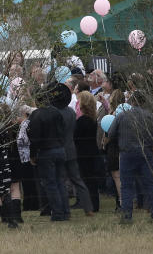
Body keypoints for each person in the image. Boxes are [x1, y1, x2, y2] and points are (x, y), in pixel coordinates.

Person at [108, 91, 153, 222]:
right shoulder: (149, 116)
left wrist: (119, 142)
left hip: (126, 153)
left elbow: (111, 133)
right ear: (144, 103)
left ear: (131, 102)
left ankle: (127, 216)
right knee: (150, 183)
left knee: (126, 185)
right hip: (146, 152)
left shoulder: (122, 116)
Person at [26, 84, 68, 221]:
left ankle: (57, 213)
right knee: (60, 182)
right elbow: (63, 131)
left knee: (50, 184)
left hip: (46, 151)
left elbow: (34, 138)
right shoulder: (57, 112)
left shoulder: (36, 115)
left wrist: (32, 155)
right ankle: (65, 211)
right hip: (60, 149)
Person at [55, 84, 93, 216]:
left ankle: (65, 209)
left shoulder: (56, 113)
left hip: (59, 148)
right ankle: (88, 208)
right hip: (71, 148)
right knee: (77, 180)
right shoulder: (71, 112)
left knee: (61, 180)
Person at [74, 91, 103, 212]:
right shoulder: (93, 119)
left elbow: (75, 137)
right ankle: (94, 204)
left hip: (83, 153)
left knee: (86, 179)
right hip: (92, 151)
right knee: (92, 180)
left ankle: (88, 204)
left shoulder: (81, 121)